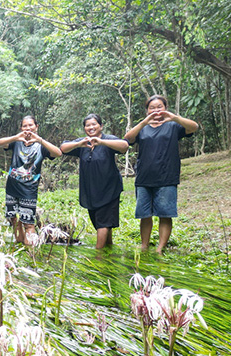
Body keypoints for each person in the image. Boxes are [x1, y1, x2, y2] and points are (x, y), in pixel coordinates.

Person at [123, 95, 198, 254]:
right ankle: (144, 245)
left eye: (159, 107)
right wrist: (144, 122)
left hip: (167, 177)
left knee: (165, 214)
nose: (156, 110)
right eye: (152, 107)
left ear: (165, 108)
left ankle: (160, 248)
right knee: (145, 214)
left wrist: (174, 117)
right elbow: (127, 139)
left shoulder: (173, 126)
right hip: (144, 177)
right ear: (147, 110)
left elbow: (194, 127)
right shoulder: (143, 128)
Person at [60, 114, 129, 249]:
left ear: (101, 126)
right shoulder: (82, 142)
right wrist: (80, 144)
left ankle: (99, 256)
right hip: (91, 190)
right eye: (88, 125)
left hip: (109, 188)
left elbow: (124, 146)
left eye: (94, 124)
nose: (91, 127)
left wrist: (101, 142)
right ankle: (109, 250)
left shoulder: (108, 140)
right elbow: (63, 148)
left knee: (103, 222)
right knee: (101, 223)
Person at [0, 116, 62, 245]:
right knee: (13, 220)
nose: (28, 128)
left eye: (31, 125)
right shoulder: (16, 142)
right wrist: (16, 137)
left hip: (29, 190)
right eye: (25, 126)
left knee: (28, 223)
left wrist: (40, 140)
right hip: (12, 187)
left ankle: (30, 254)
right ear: (21, 128)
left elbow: (58, 153)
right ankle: (20, 248)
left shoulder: (41, 146)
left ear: (36, 127)